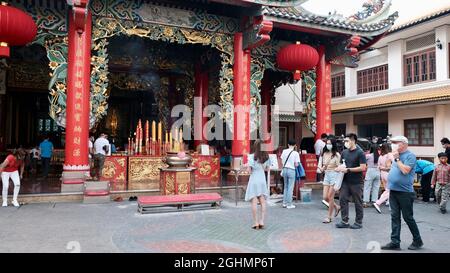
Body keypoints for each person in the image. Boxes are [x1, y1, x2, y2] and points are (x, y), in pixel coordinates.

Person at [381, 136, 423, 251]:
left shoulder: (410, 156)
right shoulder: (395, 156)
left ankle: (417, 240)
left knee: (408, 217)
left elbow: (405, 171)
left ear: (403, 144)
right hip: (393, 190)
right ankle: (395, 242)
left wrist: (398, 159)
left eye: (395, 143)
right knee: (394, 217)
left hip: (405, 192)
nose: (393, 145)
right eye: (392, 143)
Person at [335, 133, 367, 229]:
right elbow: (341, 164)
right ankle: (344, 221)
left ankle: (358, 222)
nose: (345, 143)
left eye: (347, 141)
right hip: (345, 180)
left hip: (357, 182)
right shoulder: (344, 152)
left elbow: (363, 167)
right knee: (343, 199)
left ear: (353, 141)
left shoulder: (360, 152)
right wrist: (339, 168)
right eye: (345, 141)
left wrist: (348, 169)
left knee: (358, 202)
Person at [244, 140, 271, 229]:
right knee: (263, 201)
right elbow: (267, 169)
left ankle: (255, 222)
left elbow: (249, 170)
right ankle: (262, 221)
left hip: (254, 179)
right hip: (262, 179)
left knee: (254, 201)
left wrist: (247, 166)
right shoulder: (266, 157)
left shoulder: (252, 157)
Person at [318, 138, 341, 223]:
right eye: (327, 143)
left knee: (330, 197)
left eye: (330, 143)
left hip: (334, 175)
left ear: (333, 144)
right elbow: (324, 165)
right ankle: (337, 207)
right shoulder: (324, 153)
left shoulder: (337, 155)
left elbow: (339, 167)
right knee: (325, 197)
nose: (328, 145)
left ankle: (329, 217)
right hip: (326, 175)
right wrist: (321, 168)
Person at [373, 143, 394, 213]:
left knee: (387, 189)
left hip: (382, 174)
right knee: (389, 190)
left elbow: (378, 166)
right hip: (389, 173)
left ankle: (390, 204)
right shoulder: (389, 155)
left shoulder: (380, 156)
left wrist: (382, 168)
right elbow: (394, 163)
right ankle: (378, 202)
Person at [281, 139, 301, 209]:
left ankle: (284, 203)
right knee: (290, 187)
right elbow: (296, 164)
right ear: (295, 145)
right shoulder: (295, 153)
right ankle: (289, 204)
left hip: (284, 169)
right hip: (291, 170)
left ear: (288, 145)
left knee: (285, 187)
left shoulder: (284, 151)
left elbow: (282, 160)